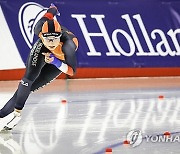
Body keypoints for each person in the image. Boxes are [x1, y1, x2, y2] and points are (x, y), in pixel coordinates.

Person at [0, 4, 78, 131]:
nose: (51, 42)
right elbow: (49, 14)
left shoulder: (68, 46)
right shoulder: (39, 28)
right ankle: (8, 114)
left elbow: (72, 72)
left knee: (32, 86)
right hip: (41, 49)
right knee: (27, 81)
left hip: (60, 60)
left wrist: (56, 62)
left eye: (55, 38)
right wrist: (53, 9)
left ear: (60, 36)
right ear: (41, 35)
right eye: (48, 38)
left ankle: (6, 114)